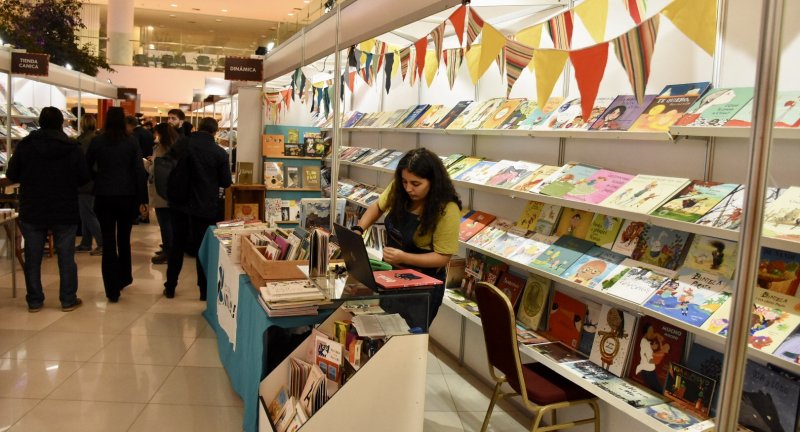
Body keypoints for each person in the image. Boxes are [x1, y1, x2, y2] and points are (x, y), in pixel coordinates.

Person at [354, 148, 461, 325]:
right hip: (390, 276)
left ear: (433, 181)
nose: (408, 188)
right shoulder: (400, 189)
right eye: (404, 182)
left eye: (416, 184)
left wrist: (404, 257)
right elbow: (378, 207)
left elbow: (443, 257)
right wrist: (359, 229)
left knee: (409, 338)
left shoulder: (447, 210)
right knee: (383, 330)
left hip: (421, 288)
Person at [6, 107, 90, 312]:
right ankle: (67, 299)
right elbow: (83, 178)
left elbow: (12, 173)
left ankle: (34, 300)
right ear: (61, 123)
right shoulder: (71, 148)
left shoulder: (26, 146)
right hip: (64, 207)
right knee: (66, 257)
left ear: (40, 122)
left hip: (33, 207)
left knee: (33, 257)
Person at [164, 117, 232, 300]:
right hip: (204, 205)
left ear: (199, 128)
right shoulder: (219, 152)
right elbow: (226, 181)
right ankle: (204, 290)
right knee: (202, 247)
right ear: (215, 132)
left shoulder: (183, 143)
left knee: (176, 244)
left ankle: (170, 286)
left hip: (179, 202)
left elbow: (167, 165)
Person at [86, 107, 149, 303]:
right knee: (124, 238)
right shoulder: (130, 141)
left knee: (108, 241)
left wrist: (98, 179)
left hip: (104, 195)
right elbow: (139, 171)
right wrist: (142, 199)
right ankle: (124, 277)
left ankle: (111, 288)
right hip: (126, 196)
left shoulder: (97, 141)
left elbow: (87, 166)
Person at [146, 122, 178, 265]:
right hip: (170, 191)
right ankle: (168, 248)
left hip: (161, 192)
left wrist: (148, 164)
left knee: (165, 223)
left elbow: (156, 172)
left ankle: (168, 252)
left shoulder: (161, 149)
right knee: (168, 223)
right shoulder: (173, 148)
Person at [75, 114, 103, 256]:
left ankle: (102, 243)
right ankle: (86, 243)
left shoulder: (84, 141)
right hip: (93, 181)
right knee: (85, 212)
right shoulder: (96, 139)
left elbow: (83, 163)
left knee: (87, 213)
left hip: (85, 182)